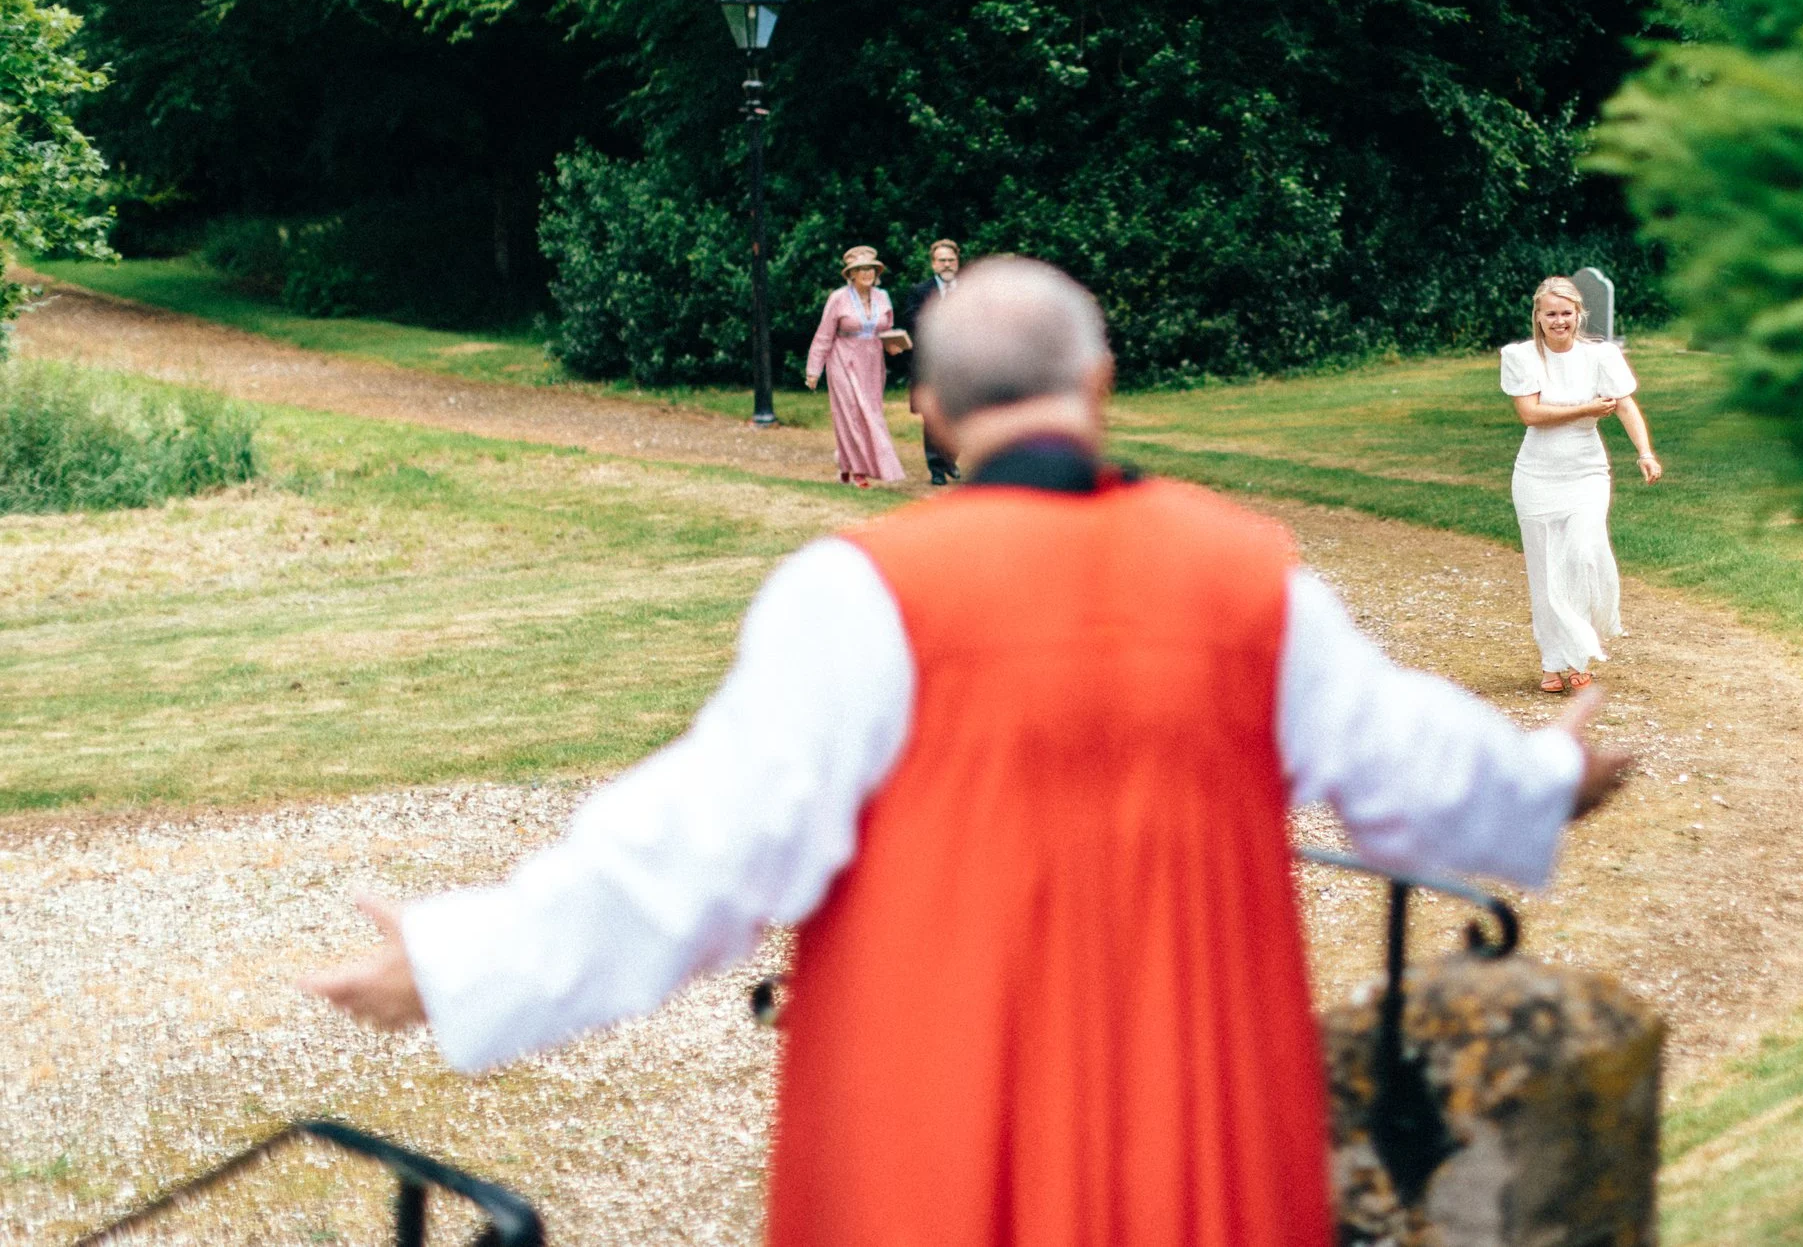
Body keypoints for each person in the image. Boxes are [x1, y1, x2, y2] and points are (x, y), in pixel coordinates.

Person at [301, 256, 1634, 1247]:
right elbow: (1417, 768)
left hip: (934, 1142)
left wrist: (454, 959)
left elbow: (698, 846)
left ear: (931, 405)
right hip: (1197, 1142)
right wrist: (1545, 778)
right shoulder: (1252, 582)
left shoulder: (859, 594)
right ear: (1100, 383)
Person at [1501, 275, 1662, 694]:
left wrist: (1645, 452)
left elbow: (1624, 405)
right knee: (1545, 568)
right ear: (1537, 317)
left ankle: (1579, 656)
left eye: (1566, 313)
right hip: (1536, 473)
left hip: (1587, 471)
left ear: (1578, 314)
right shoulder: (1521, 357)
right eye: (1550, 314)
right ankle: (1553, 663)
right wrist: (1587, 407)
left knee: (1582, 554)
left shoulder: (1601, 356)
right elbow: (1531, 415)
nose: (1559, 321)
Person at [803, 245, 907, 487]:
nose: (867, 273)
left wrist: (895, 345)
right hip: (843, 359)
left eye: (870, 268)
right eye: (860, 269)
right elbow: (824, 335)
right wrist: (813, 370)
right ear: (850, 274)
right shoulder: (838, 298)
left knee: (870, 413)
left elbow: (886, 330)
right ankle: (858, 471)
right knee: (850, 414)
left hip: (872, 362)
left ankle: (846, 464)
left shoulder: (883, 296)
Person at [896, 238, 962, 484]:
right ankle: (936, 468)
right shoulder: (920, 291)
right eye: (942, 260)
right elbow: (911, 319)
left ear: (957, 262)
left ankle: (950, 458)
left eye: (951, 260)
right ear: (934, 264)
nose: (947, 265)